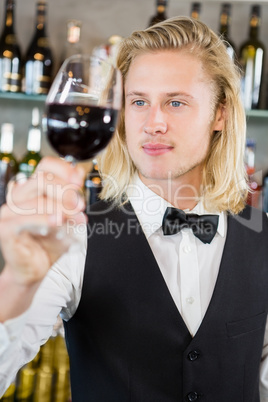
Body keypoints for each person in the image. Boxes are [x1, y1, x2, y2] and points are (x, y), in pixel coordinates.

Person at [0, 16, 268, 402]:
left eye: (175, 102)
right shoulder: (73, 234)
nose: (153, 123)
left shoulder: (263, 237)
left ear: (221, 113)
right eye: (138, 101)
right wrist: (15, 283)